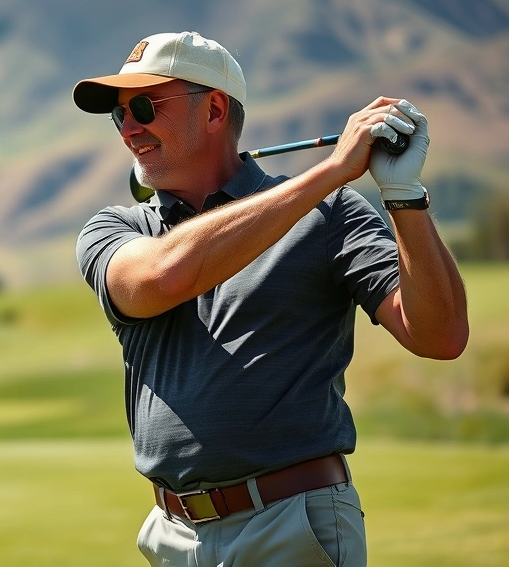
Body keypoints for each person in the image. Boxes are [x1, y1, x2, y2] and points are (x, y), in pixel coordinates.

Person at [73, 31, 469, 566]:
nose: (130, 129)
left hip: (293, 522)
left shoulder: (333, 216)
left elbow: (439, 336)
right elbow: (161, 280)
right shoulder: (116, 228)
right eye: (120, 115)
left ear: (214, 109)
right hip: (172, 537)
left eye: (144, 105)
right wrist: (329, 172)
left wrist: (403, 196)